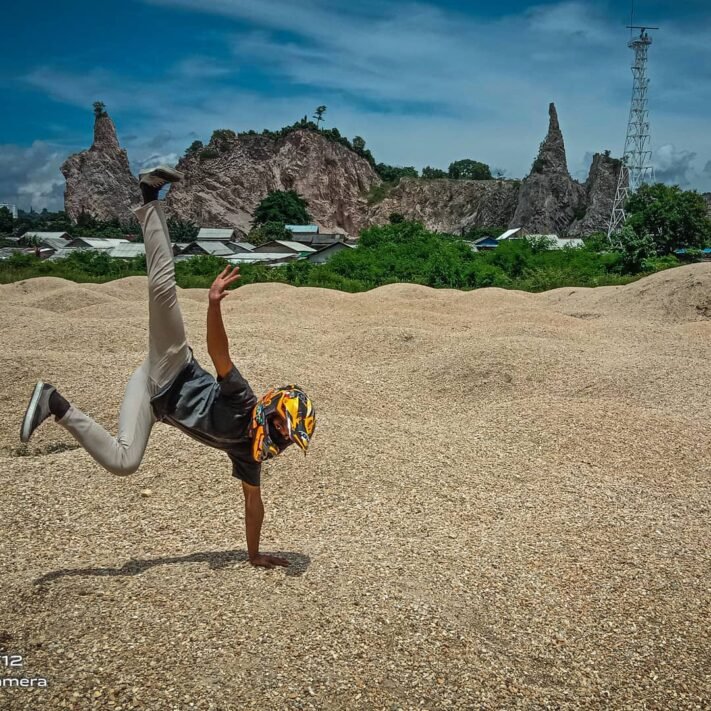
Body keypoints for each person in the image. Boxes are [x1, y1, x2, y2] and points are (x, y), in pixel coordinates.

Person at [19, 166, 316, 569]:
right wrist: (212, 304)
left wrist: (253, 554)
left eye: (288, 434)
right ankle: (150, 198)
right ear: (273, 406)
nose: (281, 434)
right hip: (173, 364)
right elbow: (219, 354)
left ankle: (55, 404)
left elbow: (253, 502)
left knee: (124, 463)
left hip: (153, 398)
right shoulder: (243, 401)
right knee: (162, 289)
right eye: (283, 423)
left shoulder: (250, 453)